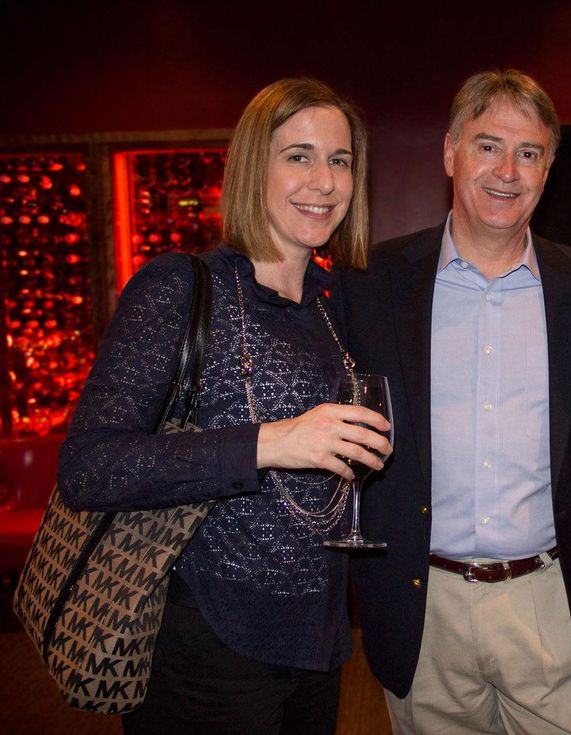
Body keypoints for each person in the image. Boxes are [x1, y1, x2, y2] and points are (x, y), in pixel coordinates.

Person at [58, 78, 391, 735]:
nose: (322, 180)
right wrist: (270, 442)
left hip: (319, 643)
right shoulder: (182, 286)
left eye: (340, 159)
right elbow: (88, 467)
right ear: (251, 169)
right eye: (298, 156)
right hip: (207, 647)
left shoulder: (330, 303)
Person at [337, 69, 571, 733]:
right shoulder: (368, 286)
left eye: (529, 153)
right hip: (423, 606)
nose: (507, 171)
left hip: (549, 602)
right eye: (487, 145)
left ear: (549, 168)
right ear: (449, 152)